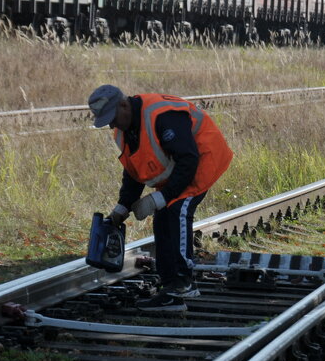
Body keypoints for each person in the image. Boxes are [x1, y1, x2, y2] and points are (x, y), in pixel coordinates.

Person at [88, 84, 234, 312]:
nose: (112, 125)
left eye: (113, 118)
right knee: (162, 217)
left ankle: (181, 284)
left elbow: (187, 159)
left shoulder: (162, 115)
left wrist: (161, 197)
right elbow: (133, 170)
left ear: (124, 105)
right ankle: (170, 286)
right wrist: (122, 207)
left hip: (202, 160)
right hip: (180, 169)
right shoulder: (124, 129)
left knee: (176, 211)